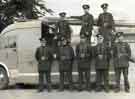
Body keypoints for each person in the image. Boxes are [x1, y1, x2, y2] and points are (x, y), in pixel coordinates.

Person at [97, 3, 115, 74]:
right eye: (103, 8)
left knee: (109, 47)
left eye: (105, 8)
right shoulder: (100, 15)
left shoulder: (110, 15)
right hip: (102, 33)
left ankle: (109, 62)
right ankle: (102, 63)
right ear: (102, 9)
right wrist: (100, 29)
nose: (104, 9)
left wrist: (108, 25)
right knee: (102, 47)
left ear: (107, 8)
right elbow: (98, 24)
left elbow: (113, 24)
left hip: (108, 33)